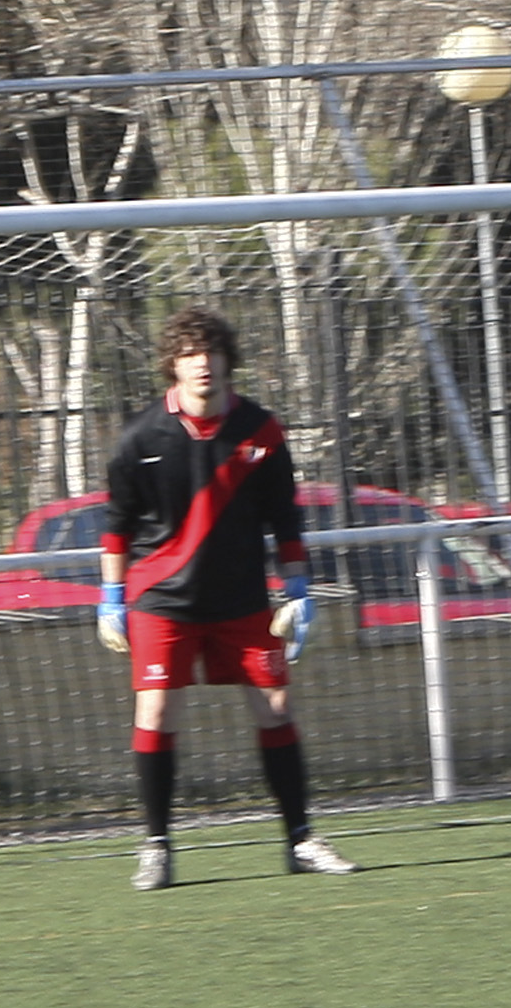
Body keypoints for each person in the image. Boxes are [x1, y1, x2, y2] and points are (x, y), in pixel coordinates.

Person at [98, 305, 357, 890]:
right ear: (173, 365)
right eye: (190, 353)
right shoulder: (140, 437)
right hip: (161, 600)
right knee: (155, 713)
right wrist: (111, 598)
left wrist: (298, 589)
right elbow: (116, 528)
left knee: (276, 708)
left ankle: (300, 840)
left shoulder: (261, 431)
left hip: (242, 600)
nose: (202, 364)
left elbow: (285, 519)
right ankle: (156, 846)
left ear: (227, 360)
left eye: (211, 352)